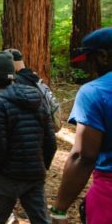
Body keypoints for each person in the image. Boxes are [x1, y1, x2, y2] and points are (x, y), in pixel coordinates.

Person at [0, 51, 57, 223]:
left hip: (7, 177)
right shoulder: (36, 97)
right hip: (34, 176)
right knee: (41, 221)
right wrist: (40, 167)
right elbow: (50, 142)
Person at [51, 28, 112, 224]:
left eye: (90, 61)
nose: (89, 69)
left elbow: (83, 156)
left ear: (103, 56)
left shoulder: (94, 92)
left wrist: (59, 209)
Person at [6, 49, 62, 132]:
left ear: (11, 62)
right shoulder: (34, 77)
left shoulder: (17, 81)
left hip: (27, 130)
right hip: (42, 127)